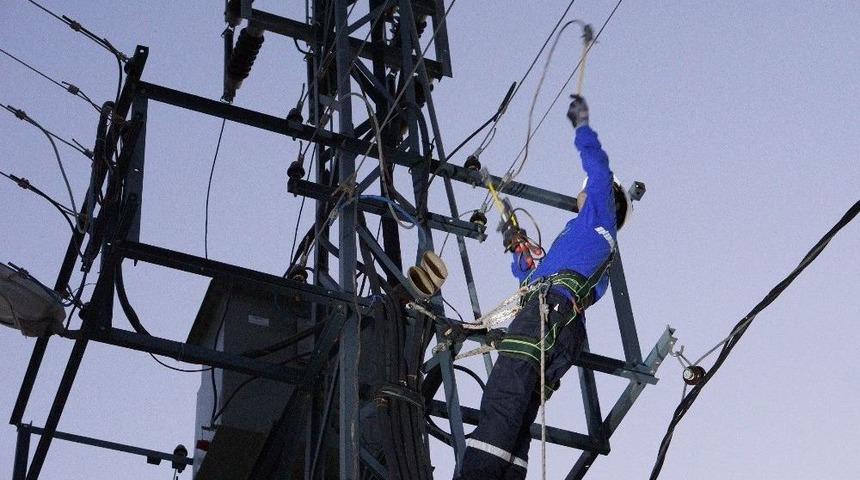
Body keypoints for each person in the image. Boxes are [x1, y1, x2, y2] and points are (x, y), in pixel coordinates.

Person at [457, 95, 629, 479]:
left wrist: (582, 125)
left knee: (504, 397)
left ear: (607, 197)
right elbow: (532, 281)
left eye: (585, 191)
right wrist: (521, 255)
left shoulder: (598, 215)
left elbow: (598, 169)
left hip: (548, 314)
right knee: (517, 416)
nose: (580, 194)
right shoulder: (591, 241)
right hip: (560, 323)